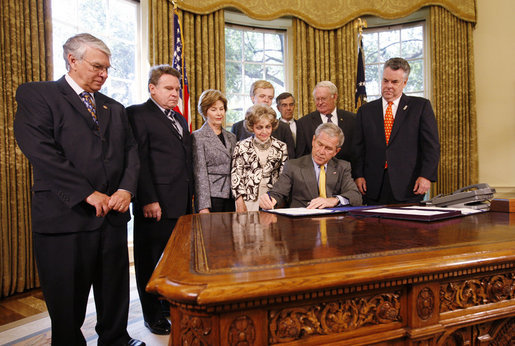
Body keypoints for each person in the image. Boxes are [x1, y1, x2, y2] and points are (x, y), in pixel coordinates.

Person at [13, 33, 143, 346]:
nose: (105, 74)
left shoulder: (114, 107)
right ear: (72, 60)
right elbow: (41, 150)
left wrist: (126, 189)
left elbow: (130, 151)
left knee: (114, 290)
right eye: (98, 67)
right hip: (65, 217)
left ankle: (116, 339)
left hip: (112, 216)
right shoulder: (38, 95)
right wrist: (86, 192)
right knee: (66, 297)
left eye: (108, 68)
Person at [127, 65, 193, 335]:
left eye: (177, 89)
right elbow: (137, 160)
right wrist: (147, 199)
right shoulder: (137, 114)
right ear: (152, 88)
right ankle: (151, 315)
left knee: (173, 261)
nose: (175, 94)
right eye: (168, 88)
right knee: (150, 261)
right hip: (155, 204)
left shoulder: (179, 118)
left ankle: (166, 306)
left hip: (180, 203)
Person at [352, 57, 440, 205]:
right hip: (373, 186)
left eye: (394, 82)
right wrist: (358, 175)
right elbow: (358, 148)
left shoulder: (420, 107)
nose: (388, 86)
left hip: (409, 185)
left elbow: (431, 146)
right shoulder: (365, 111)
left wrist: (426, 176)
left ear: (404, 83)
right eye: (385, 80)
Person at [260, 123, 362, 209]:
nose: (321, 152)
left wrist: (334, 200)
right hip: (302, 224)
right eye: (319, 144)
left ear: (336, 151)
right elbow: (278, 193)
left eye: (328, 148)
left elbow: (356, 196)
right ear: (313, 141)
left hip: (333, 224)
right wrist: (269, 200)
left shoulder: (342, 167)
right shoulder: (293, 166)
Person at [232, 104, 288, 212]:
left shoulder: (281, 147)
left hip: (271, 200)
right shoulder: (241, 146)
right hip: (247, 200)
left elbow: (283, 178)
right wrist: (239, 202)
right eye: (259, 127)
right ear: (251, 127)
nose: (264, 131)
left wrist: (276, 200)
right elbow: (236, 176)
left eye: (268, 127)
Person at [192, 89, 237, 213]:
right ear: (205, 112)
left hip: (231, 196)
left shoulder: (231, 137)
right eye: (214, 109)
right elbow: (199, 173)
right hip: (212, 197)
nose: (219, 113)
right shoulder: (198, 137)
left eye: (221, 109)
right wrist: (203, 206)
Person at [231, 80, 296, 158]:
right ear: (252, 98)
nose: (266, 100)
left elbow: (291, 160)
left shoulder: (283, 128)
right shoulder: (237, 128)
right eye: (262, 96)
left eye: (270, 97)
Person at [295, 81, 355, 162]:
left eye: (323, 99)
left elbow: (357, 150)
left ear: (334, 97)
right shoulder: (303, 123)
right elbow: (301, 157)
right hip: (315, 172)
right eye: (317, 99)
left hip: (346, 171)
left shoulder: (352, 119)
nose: (319, 103)